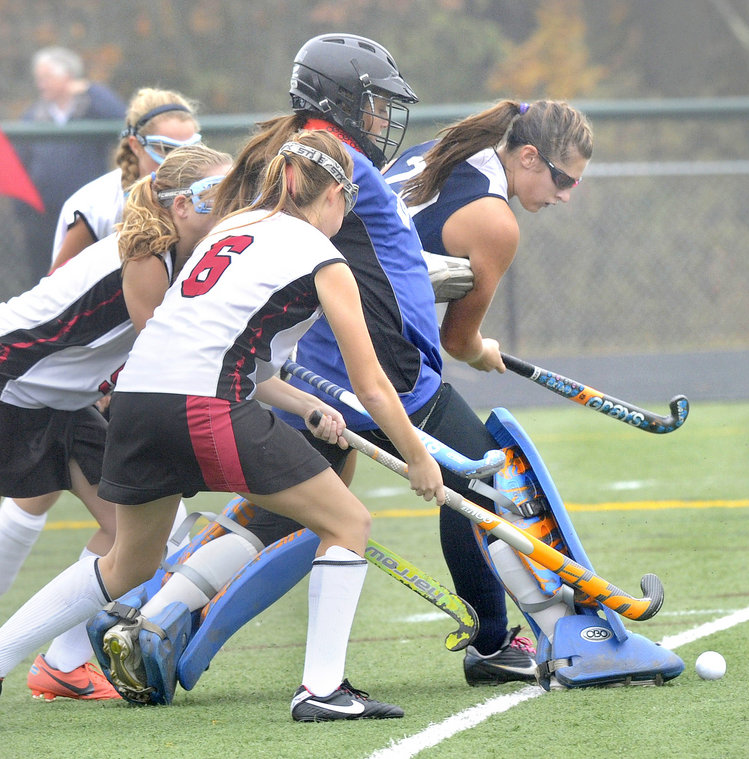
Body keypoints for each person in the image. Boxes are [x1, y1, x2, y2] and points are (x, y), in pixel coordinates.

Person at [0, 129, 445, 722]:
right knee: (347, 520)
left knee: (128, 563)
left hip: (134, 403)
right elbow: (372, 385)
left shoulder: (231, 230)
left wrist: (307, 406)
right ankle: (322, 690)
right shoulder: (322, 255)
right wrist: (420, 457)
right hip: (203, 405)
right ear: (334, 194)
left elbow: (214, 345)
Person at [140, 33, 540, 690]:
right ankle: (497, 641)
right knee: (483, 481)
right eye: (375, 105)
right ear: (337, 100)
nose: (383, 121)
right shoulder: (333, 161)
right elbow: (355, 261)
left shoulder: (290, 154)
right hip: (391, 371)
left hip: (315, 371)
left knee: (292, 510)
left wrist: (417, 271)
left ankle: (160, 614)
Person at [0, 143, 232, 701]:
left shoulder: (192, 258)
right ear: (180, 205)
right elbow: (164, 349)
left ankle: (64, 663)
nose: (230, 209)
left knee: (140, 526)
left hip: (61, 402)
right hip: (11, 377)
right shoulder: (146, 255)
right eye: (216, 198)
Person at [384, 99, 593, 373]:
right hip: (353, 332)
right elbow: (457, 342)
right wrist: (481, 351)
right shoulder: (497, 224)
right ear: (529, 157)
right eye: (564, 180)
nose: (565, 196)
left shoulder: (444, 149)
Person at [50, 86, 202, 272]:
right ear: (135, 145)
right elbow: (58, 288)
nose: (180, 162)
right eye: (165, 149)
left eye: (190, 148)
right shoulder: (95, 207)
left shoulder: (207, 198)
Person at [13, 46, 126, 282]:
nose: (41, 84)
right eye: (39, 78)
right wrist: (23, 210)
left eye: (47, 77)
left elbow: (123, 119)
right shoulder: (34, 116)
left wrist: (90, 89)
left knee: (86, 276)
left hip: (86, 214)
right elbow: (20, 163)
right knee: (43, 275)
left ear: (67, 77)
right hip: (43, 215)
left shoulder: (91, 108)